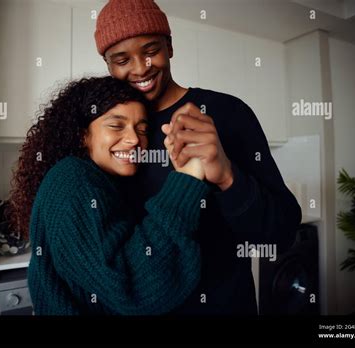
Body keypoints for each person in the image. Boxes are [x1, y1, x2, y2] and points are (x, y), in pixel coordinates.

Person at [94, 0, 302, 314]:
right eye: (122, 59)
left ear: (170, 47)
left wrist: (227, 176)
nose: (140, 68)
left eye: (151, 50)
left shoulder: (228, 113)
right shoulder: (106, 134)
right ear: (109, 66)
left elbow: (282, 233)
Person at [7, 76, 210, 315]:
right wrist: (188, 177)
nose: (135, 139)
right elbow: (134, 288)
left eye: (142, 129)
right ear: (83, 135)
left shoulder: (101, 181)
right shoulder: (72, 180)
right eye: (116, 125)